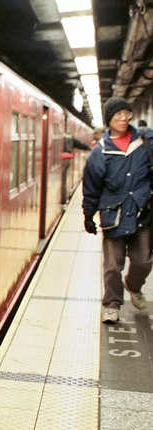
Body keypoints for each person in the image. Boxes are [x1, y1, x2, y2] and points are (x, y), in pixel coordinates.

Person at [82, 97, 153, 323]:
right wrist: (88, 214)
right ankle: (112, 303)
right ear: (109, 120)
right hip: (114, 215)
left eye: (126, 114)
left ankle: (133, 285)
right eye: (118, 115)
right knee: (113, 265)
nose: (123, 118)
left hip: (143, 212)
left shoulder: (145, 142)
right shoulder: (100, 152)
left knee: (143, 261)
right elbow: (91, 186)